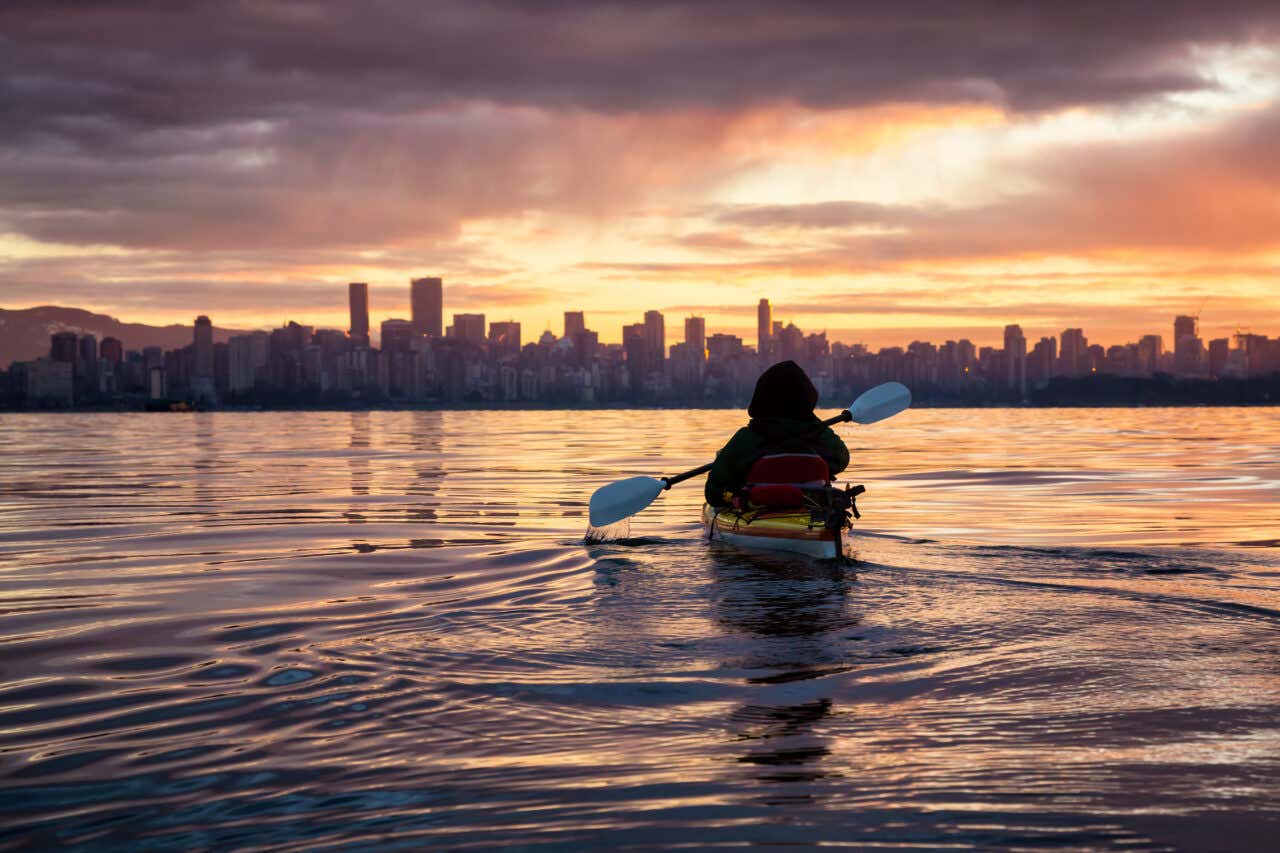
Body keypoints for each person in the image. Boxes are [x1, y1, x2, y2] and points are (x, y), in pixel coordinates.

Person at [705, 360, 850, 506]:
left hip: (757, 508)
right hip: (812, 509)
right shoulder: (821, 434)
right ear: (808, 398)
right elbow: (841, 461)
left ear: (761, 398)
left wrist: (733, 491)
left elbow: (713, 491)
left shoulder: (747, 438)